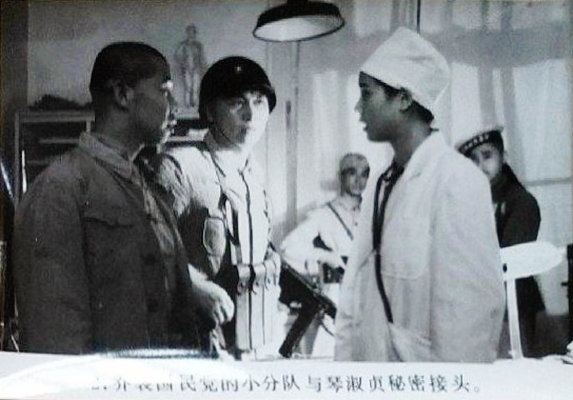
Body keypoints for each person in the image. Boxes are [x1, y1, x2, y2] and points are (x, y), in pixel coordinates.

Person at [12, 42, 233, 354]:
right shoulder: (60, 188)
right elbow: (55, 335)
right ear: (122, 94)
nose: (174, 105)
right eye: (165, 91)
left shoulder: (147, 189)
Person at [334, 27, 505, 362]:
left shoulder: (457, 180)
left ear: (404, 98)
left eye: (366, 94)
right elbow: (356, 292)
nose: (358, 107)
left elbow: (468, 319)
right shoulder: (382, 183)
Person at [157, 56, 281, 359]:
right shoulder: (180, 167)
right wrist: (194, 287)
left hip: (251, 342)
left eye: (259, 101)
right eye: (237, 103)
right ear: (211, 111)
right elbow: (142, 246)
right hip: (194, 343)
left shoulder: (255, 174)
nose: (250, 115)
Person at [457, 125, 543, 357]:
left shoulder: (521, 202)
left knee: (509, 368)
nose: (480, 165)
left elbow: (509, 260)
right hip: (473, 309)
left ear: (503, 157)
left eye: (487, 156)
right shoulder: (467, 202)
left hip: (512, 307)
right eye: (472, 159)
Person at [280, 153, 370, 357]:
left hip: (368, 295)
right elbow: (288, 248)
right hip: (338, 297)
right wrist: (326, 257)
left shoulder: (372, 211)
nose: (359, 180)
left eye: (364, 174)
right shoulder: (324, 214)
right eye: (352, 173)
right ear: (341, 176)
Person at [174, 24, 207, 108]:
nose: (191, 33)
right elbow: (177, 56)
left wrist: (203, 67)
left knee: (195, 87)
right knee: (188, 87)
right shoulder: (183, 45)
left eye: (192, 32)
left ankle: (194, 104)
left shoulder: (198, 45)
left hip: (196, 69)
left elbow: (202, 57)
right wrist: (183, 64)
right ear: (187, 33)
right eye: (189, 32)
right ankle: (187, 104)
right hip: (186, 69)